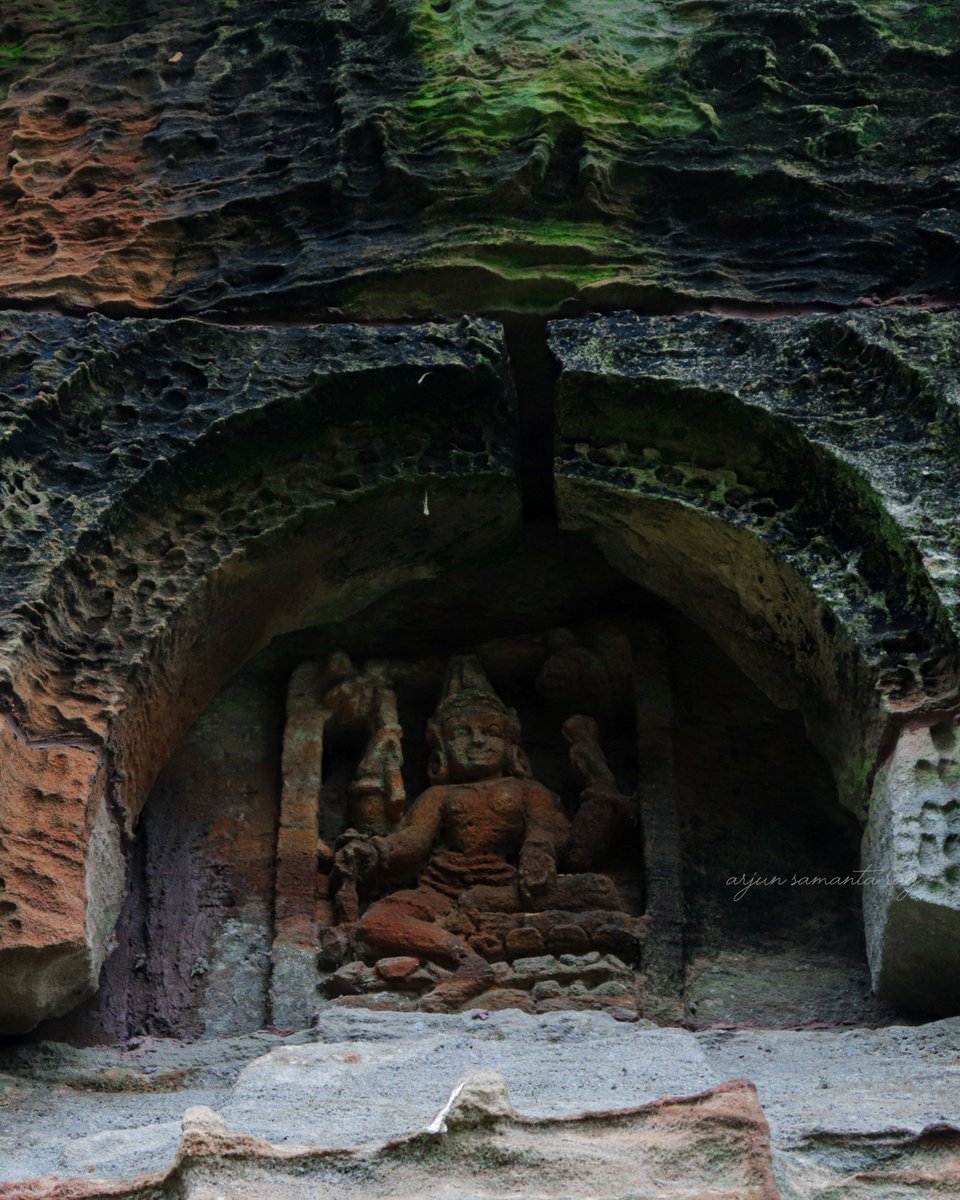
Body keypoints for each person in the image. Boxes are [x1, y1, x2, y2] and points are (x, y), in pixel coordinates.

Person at [333, 657, 620, 1010]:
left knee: (599, 889)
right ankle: (468, 963)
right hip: (439, 888)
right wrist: (374, 850)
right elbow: (412, 844)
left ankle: (466, 937)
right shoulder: (438, 795)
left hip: (506, 887)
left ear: (511, 741)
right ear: (441, 746)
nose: (477, 741)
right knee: (374, 923)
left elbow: (553, 835)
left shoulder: (527, 790)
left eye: (490, 732)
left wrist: (539, 850)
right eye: (461, 734)